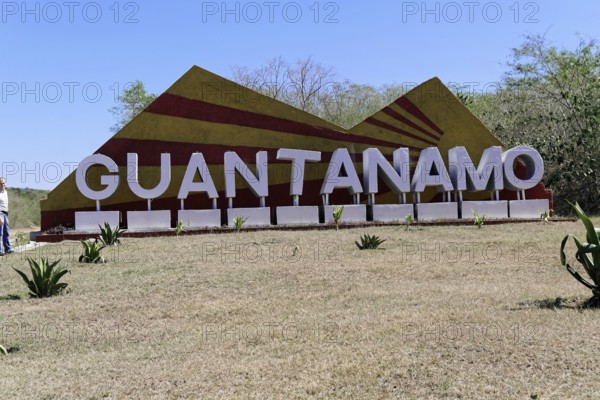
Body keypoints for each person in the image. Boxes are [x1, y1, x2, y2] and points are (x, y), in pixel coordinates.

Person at [0, 177, 12, 255]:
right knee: (0, 233)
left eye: (3, 183)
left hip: (5, 213)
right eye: (1, 183)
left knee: (6, 232)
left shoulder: (5, 192)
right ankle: (0, 251)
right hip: (0, 213)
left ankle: (7, 249)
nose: (2, 184)